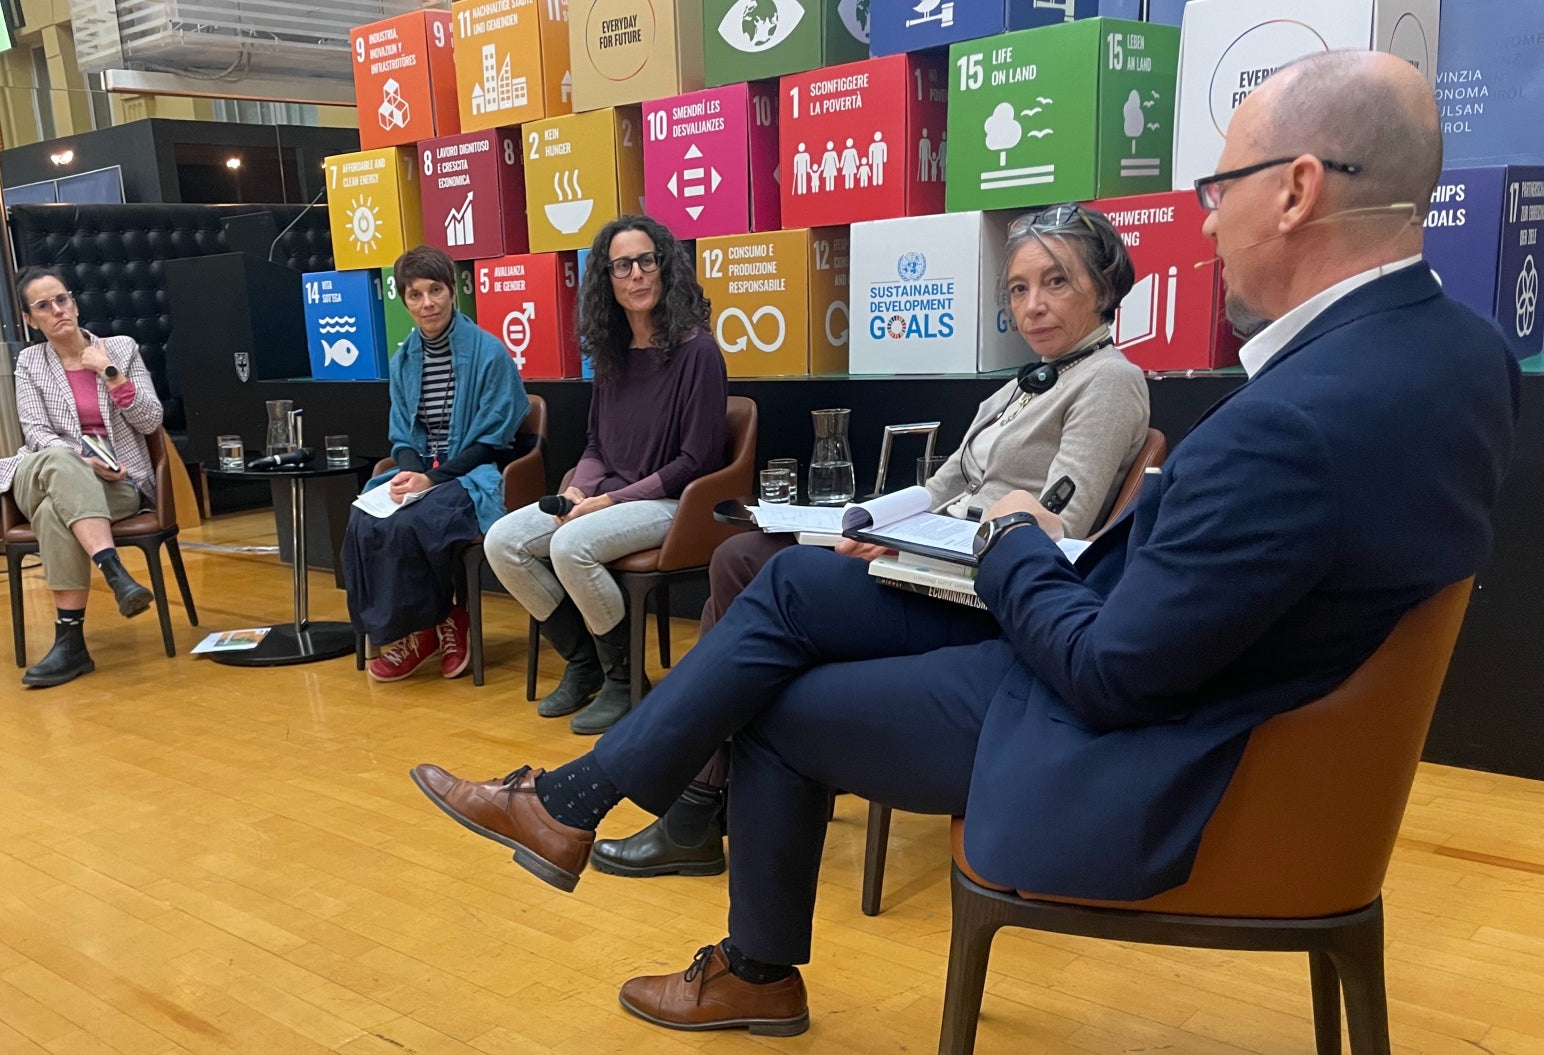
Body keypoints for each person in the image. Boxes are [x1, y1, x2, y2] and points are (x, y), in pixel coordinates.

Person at [408, 51, 1518, 1037]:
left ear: (1299, 189)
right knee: (786, 591)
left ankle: (733, 949)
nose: (1209, 223)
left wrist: (1011, 540)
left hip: (1153, 744)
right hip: (1223, 687)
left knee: (775, 706)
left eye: (1219, 190)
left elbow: (1112, 668)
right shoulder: (1466, 359)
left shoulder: (1289, 419)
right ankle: (580, 807)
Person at [593, 204, 1152, 880]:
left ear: (1104, 284)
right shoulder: (1023, 385)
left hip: (975, 593)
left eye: (1055, 281)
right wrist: (867, 522)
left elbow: (1064, 525)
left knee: (747, 583)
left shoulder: (1109, 379)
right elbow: (942, 483)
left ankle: (698, 806)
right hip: (930, 555)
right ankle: (707, 802)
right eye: (1018, 287)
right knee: (739, 560)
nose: (1032, 305)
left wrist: (909, 544)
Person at [484, 215, 728, 735]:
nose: (636, 274)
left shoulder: (698, 351)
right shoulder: (611, 354)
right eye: (622, 265)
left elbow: (697, 462)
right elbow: (596, 446)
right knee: (502, 541)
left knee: (571, 544)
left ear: (665, 268)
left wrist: (611, 502)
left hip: (673, 503)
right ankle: (584, 662)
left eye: (646, 261)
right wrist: (580, 488)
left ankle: (624, 680)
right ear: (607, 280)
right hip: (612, 497)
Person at [343, 246, 529, 681]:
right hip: (424, 471)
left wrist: (431, 480)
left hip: (472, 473)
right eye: (415, 295)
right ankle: (417, 630)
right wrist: (411, 472)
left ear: (452, 291)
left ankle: (445, 619)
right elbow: (403, 435)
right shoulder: (404, 359)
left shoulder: (489, 353)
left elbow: (492, 442)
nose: (427, 303)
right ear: (405, 302)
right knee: (364, 518)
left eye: (435, 290)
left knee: (415, 521)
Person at [0, 267, 166, 688]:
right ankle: (113, 569)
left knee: (55, 514)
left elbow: (151, 421)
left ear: (74, 302)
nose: (57, 310)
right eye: (43, 306)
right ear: (30, 320)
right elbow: (35, 432)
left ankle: (70, 644)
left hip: (117, 484)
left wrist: (110, 372)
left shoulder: (120, 349)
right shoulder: (30, 362)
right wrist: (82, 462)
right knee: (56, 459)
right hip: (44, 471)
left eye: (62, 299)